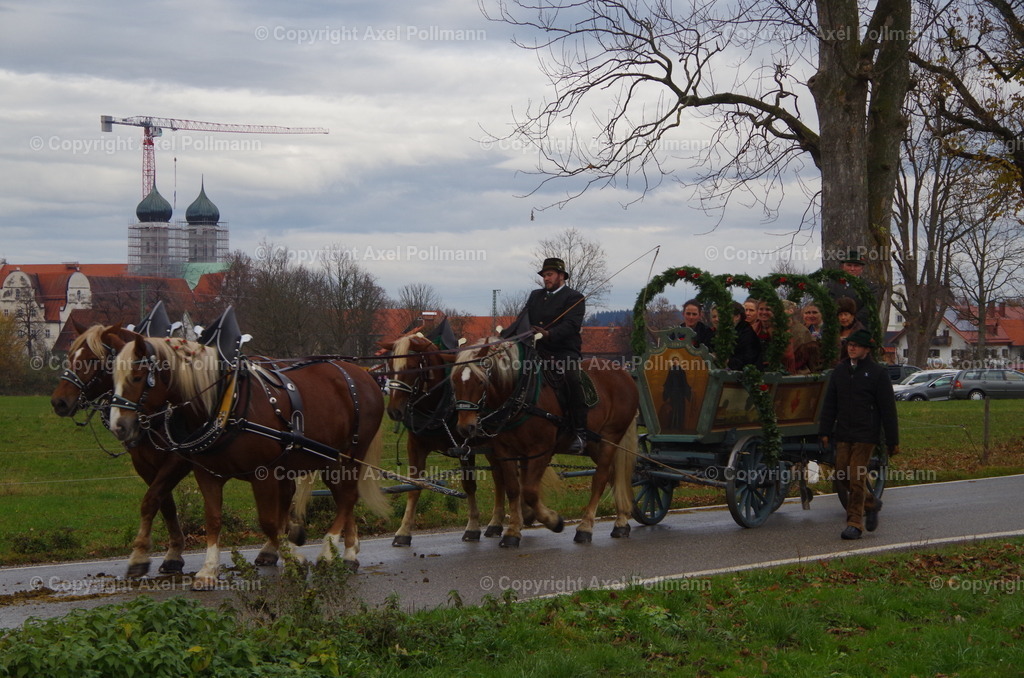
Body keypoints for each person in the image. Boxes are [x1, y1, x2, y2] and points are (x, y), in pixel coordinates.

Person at [818, 329, 900, 540]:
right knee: (841, 474)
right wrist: (825, 430)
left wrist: (892, 440)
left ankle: (854, 523)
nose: (852, 348)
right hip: (844, 432)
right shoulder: (840, 371)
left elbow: (888, 409)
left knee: (856, 477)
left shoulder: (877, 373)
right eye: (849, 345)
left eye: (856, 345)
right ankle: (871, 503)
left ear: (866, 349)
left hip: (866, 433)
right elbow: (830, 403)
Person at [510, 257, 588, 452]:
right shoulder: (535, 296)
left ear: (561, 276)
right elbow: (522, 319)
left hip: (563, 351)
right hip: (536, 350)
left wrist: (549, 334)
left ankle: (580, 431)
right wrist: (509, 335)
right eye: (544, 275)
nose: (546, 278)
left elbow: (571, 325)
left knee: (572, 379)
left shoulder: (574, 298)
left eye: (550, 274)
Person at [827, 249, 881, 328]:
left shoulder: (870, 288)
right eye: (849, 265)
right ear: (843, 267)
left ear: (862, 268)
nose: (852, 269)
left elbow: (868, 309)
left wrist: (851, 321)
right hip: (834, 327)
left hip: (859, 328)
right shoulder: (831, 285)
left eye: (856, 266)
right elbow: (826, 305)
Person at [727, 301, 761, 370]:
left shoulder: (747, 334)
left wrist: (727, 361)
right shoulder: (733, 331)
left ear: (737, 317)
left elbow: (746, 360)